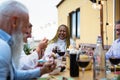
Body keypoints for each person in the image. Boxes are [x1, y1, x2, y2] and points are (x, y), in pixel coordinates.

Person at [0, 1, 56, 80]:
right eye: (25, 26)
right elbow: (21, 65)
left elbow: (13, 74)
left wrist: (42, 71)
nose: (27, 32)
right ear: (14, 22)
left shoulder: (7, 43)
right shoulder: (3, 47)